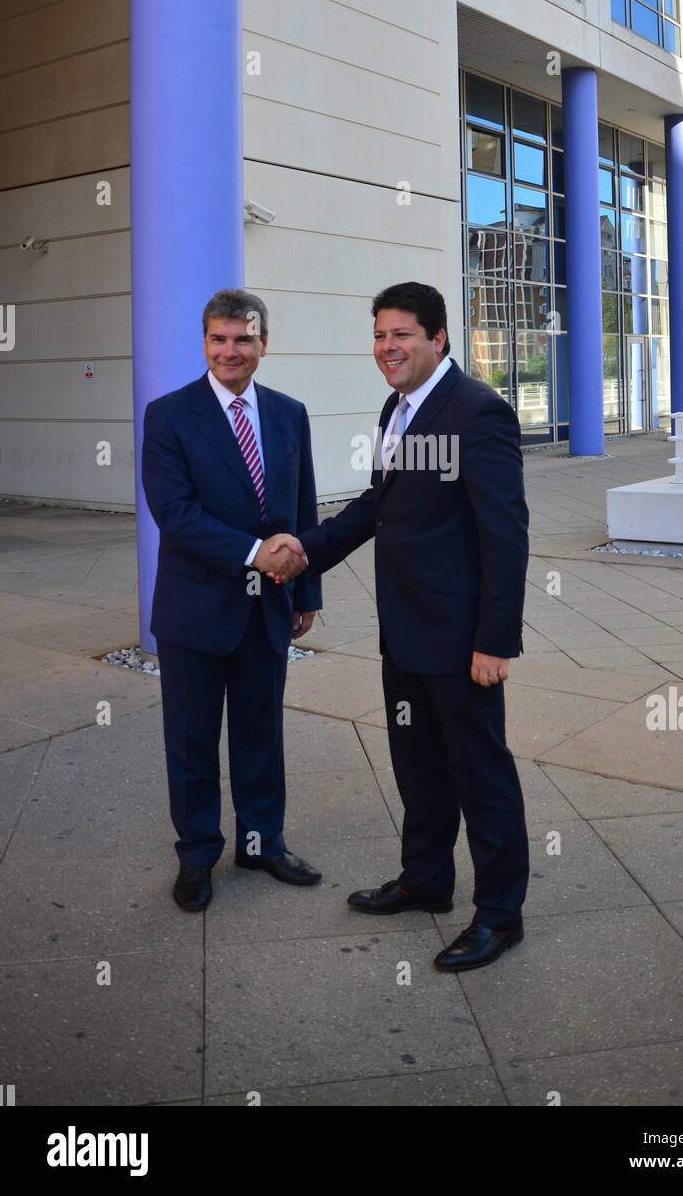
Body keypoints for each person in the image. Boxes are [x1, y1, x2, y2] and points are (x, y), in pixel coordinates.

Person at [272, 282, 529, 971]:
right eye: (380, 335)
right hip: (405, 630)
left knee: (481, 776)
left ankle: (500, 915)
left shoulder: (479, 412)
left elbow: (504, 534)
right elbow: (376, 506)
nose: (387, 347)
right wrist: (305, 548)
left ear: (438, 338)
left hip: (460, 640)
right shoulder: (397, 407)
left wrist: (495, 641)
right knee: (417, 767)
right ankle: (425, 880)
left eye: (402, 335)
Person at [142, 288, 322, 912]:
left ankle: (260, 843)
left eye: (243, 339)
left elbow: (302, 507)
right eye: (219, 339)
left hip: (268, 608)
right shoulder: (168, 415)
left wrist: (306, 588)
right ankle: (196, 857)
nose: (230, 350)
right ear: (204, 343)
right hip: (196, 612)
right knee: (191, 743)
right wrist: (254, 553)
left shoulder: (289, 413)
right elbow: (175, 513)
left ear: (263, 344)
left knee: (259, 734)